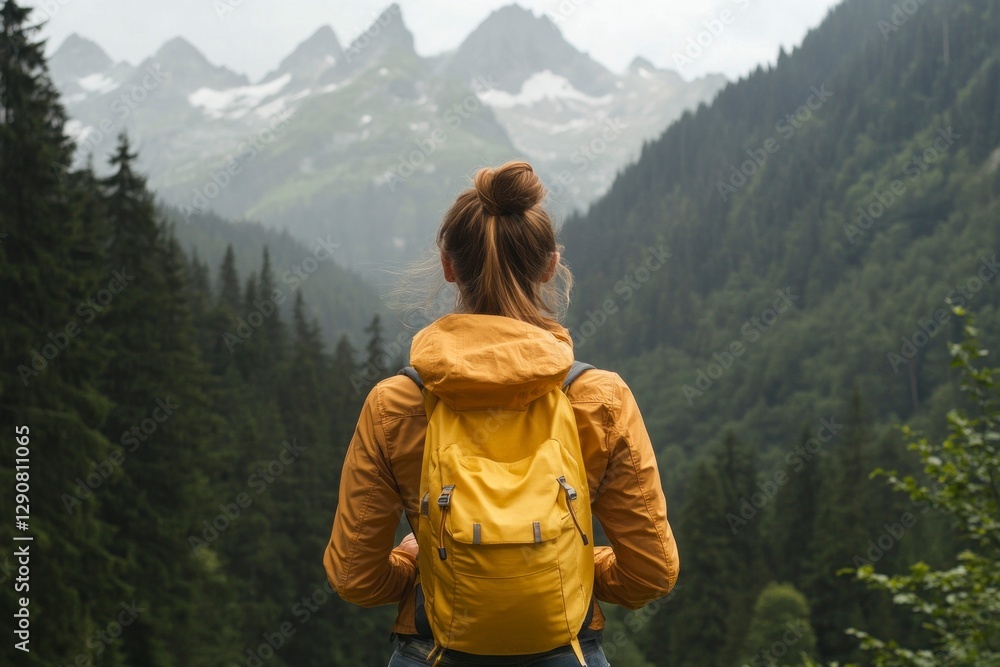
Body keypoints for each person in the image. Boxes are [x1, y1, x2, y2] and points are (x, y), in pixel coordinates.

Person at [324, 161, 679, 666]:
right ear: (550, 265)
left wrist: (415, 562)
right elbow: (652, 574)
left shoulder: (396, 405)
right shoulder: (600, 399)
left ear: (449, 266)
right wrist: (560, 563)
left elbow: (354, 579)